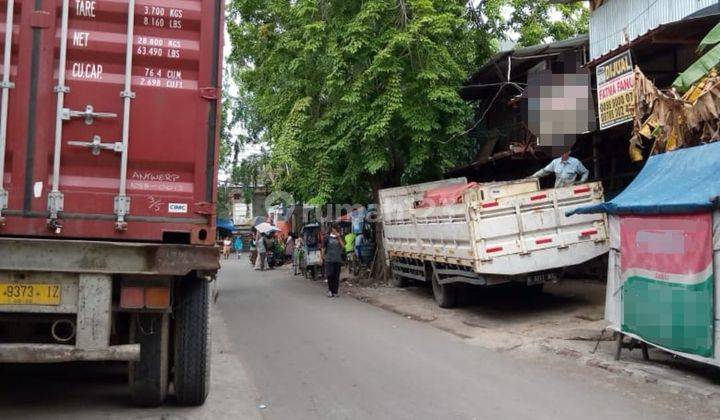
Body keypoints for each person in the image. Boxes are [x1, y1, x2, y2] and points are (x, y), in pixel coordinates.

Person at [321, 223, 345, 298]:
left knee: (336, 276)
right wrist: (322, 257)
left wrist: (339, 237)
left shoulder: (339, 237)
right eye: (335, 228)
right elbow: (323, 248)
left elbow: (343, 246)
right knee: (330, 275)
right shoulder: (327, 238)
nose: (336, 230)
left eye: (337, 229)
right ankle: (330, 291)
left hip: (337, 260)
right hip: (329, 260)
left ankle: (335, 292)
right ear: (332, 229)